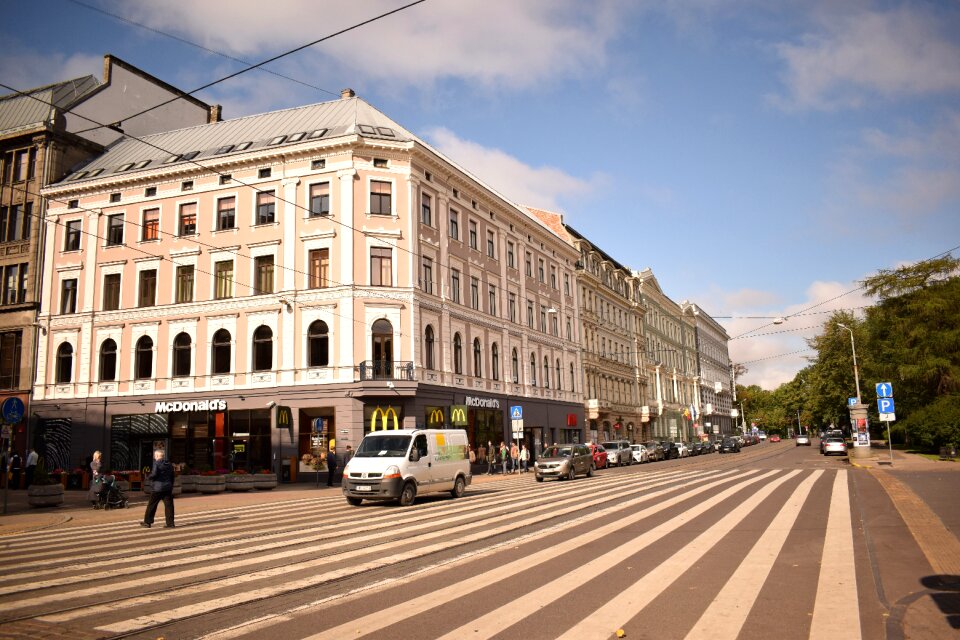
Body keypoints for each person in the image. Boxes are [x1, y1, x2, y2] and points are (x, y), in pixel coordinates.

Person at [141, 449, 175, 528]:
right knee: (169, 506)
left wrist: (148, 477)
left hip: (157, 488)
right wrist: (171, 485)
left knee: (152, 505)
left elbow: (154, 474)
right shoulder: (169, 464)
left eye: (154, 455)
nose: (154, 457)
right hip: (167, 488)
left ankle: (147, 522)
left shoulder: (156, 463)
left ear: (157, 456)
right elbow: (172, 476)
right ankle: (170, 524)